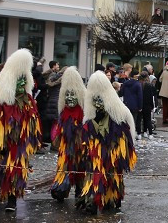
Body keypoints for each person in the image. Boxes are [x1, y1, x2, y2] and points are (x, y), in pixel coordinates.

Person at [0, 48, 41, 213]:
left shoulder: (28, 101)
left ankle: (12, 199)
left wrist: (31, 139)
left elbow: (33, 121)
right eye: (19, 80)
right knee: (0, 169)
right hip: (3, 142)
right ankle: (3, 192)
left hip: (20, 144)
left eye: (24, 79)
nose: (22, 83)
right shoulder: (1, 100)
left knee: (16, 171)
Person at [78, 71, 137, 214]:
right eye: (95, 100)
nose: (98, 104)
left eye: (101, 100)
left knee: (111, 174)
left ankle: (111, 197)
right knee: (93, 173)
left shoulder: (119, 117)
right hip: (96, 153)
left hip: (112, 153)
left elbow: (125, 138)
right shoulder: (89, 120)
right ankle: (91, 201)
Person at [50, 67, 86, 203]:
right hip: (66, 149)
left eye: (73, 94)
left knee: (81, 166)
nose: (70, 98)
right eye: (67, 95)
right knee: (65, 167)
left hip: (81, 148)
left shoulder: (84, 112)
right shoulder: (63, 112)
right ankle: (62, 185)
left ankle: (80, 187)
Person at [39, 61, 62, 146]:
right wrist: (60, 80)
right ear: (53, 66)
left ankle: (51, 140)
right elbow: (50, 84)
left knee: (52, 122)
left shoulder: (52, 74)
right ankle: (53, 142)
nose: (58, 66)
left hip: (51, 101)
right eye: (57, 64)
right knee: (54, 122)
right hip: (53, 101)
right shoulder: (53, 75)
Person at [120, 67, 144, 138]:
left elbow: (121, 93)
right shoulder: (138, 84)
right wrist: (140, 107)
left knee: (126, 120)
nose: (139, 75)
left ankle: (125, 134)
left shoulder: (125, 83)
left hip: (126, 104)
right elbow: (140, 97)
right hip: (135, 105)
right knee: (133, 120)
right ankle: (132, 135)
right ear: (135, 76)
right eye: (137, 74)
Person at [140, 69, 157, 136]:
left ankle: (143, 132)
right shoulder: (149, 85)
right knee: (148, 119)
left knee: (141, 119)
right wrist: (152, 106)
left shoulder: (140, 84)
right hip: (147, 105)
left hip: (141, 104)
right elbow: (151, 97)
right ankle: (149, 133)